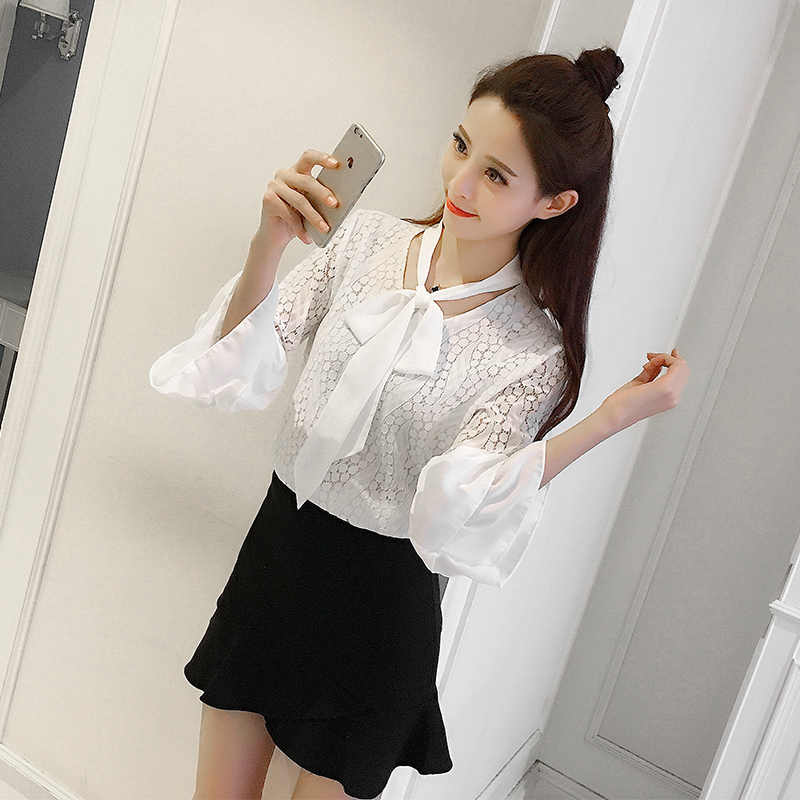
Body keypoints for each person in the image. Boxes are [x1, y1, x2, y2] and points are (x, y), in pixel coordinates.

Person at [150, 47, 688, 800]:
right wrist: (268, 240)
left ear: (554, 203)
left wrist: (608, 418)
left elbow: (459, 505)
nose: (459, 183)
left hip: (380, 606)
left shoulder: (531, 352)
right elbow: (235, 364)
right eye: (461, 145)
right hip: (277, 555)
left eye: (496, 175)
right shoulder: (364, 241)